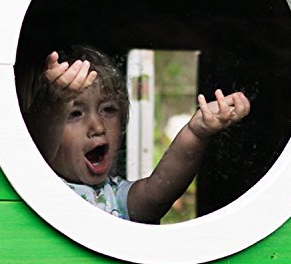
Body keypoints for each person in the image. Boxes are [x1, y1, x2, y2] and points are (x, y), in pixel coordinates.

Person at [21, 46, 250, 224]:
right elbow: (37, 147)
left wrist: (196, 132)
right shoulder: (33, 185)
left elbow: (158, 193)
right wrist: (54, 103)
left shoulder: (115, 197)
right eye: (74, 113)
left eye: (108, 109)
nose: (98, 127)